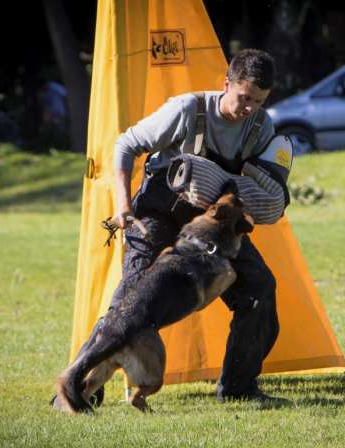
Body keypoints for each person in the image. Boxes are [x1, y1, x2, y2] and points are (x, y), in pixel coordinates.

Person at [97, 49, 291, 402]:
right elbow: (126, 144)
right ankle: (81, 386)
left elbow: (264, 186)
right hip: (161, 208)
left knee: (259, 288)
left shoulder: (262, 127)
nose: (249, 109)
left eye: (258, 101)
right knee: (131, 297)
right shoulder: (188, 109)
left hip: (213, 222)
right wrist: (123, 206)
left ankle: (238, 388)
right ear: (226, 83)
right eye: (244, 97)